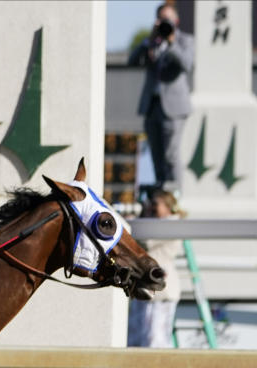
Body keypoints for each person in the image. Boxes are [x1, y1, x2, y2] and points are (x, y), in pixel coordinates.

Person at [128, 3, 194, 194]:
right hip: (152, 105)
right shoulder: (152, 41)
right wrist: (148, 40)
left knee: (171, 155)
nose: (163, 24)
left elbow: (187, 64)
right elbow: (132, 61)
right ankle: (160, 198)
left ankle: (175, 197)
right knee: (157, 156)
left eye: (167, 20)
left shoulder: (185, 41)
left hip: (174, 107)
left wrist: (171, 42)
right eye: (160, 20)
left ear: (176, 21)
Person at [127, 189, 184, 348]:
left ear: (168, 206)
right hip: (144, 289)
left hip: (161, 291)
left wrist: (134, 222)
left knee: (155, 341)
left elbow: (146, 240)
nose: (151, 208)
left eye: (155, 204)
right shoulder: (154, 222)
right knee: (135, 341)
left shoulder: (171, 223)